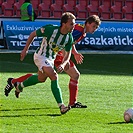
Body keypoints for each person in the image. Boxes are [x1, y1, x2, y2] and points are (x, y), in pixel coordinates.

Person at [5, 15, 101, 108]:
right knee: (74, 75)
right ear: (87, 23)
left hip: (56, 55)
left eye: (96, 27)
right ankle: (68, 104)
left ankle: (14, 82)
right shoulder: (79, 30)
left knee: (41, 77)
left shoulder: (81, 31)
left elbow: (69, 42)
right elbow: (66, 41)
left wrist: (71, 54)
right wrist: (71, 56)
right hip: (57, 56)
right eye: (93, 26)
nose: (94, 29)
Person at [5, 12, 76, 115]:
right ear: (64, 23)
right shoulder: (50, 29)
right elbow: (33, 34)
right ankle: (61, 106)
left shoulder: (69, 37)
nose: (73, 26)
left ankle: (19, 86)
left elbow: (68, 54)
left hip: (51, 59)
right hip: (40, 56)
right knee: (54, 76)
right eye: (71, 24)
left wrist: (64, 63)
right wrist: (25, 50)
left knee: (41, 79)